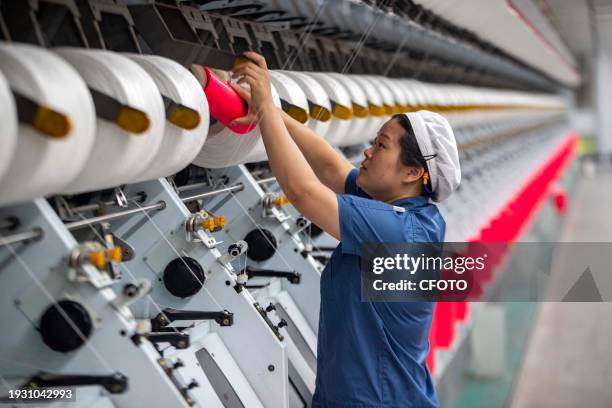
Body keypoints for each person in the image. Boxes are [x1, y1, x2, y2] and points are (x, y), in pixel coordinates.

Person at [230, 52, 461, 407]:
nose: (367, 152)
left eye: (381, 145)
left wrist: (264, 109)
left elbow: (305, 191)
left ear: (413, 173)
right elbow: (328, 165)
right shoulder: (404, 211)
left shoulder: (399, 233)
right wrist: (272, 109)